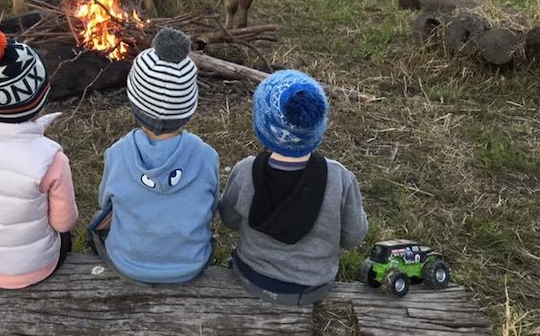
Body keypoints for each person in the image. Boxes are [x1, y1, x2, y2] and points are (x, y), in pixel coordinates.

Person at [219, 69, 368, 305]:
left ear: (262, 128)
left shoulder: (246, 171)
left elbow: (229, 219)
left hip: (252, 278)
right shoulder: (340, 178)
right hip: (313, 287)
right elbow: (352, 237)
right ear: (318, 126)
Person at [0, 22, 78, 288]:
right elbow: (64, 222)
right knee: (66, 237)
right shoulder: (50, 159)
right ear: (41, 95)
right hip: (33, 269)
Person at [89, 27, 219, 284]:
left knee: (97, 223)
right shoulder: (206, 156)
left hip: (127, 263)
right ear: (189, 110)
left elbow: (106, 202)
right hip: (190, 265)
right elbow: (211, 207)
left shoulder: (117, 153)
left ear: (134, 105)